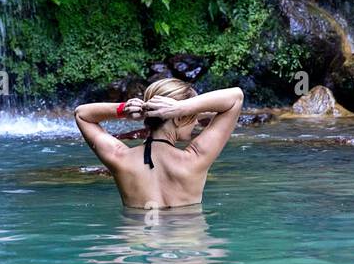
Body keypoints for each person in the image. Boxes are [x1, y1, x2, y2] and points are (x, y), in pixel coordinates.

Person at [73, 79, 244, 209]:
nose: (196, 122)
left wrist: (123, 109)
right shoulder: (196, 159)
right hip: (188, 250)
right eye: (194, 115)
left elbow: (82, 114)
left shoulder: (120, 158)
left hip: (136, 247)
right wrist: (184, 107)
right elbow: (236, 97)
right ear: (179, 117)